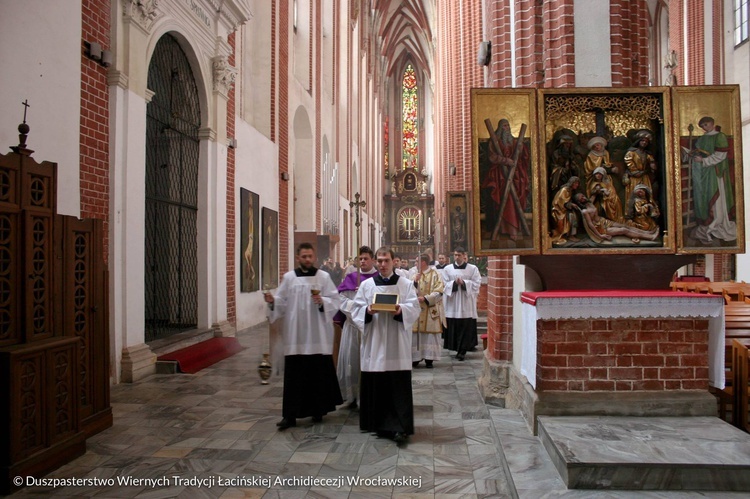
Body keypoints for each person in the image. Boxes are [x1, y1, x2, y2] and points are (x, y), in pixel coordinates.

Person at [264, 243, 343, 430]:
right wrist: (272, 302)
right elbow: (281, 303)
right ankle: (289, 416)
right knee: (295, 377)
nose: (307, 259)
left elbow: (335, 300)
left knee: (317, 375)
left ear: (314, 257)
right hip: (296, 336)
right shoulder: (289, 278)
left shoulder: (323, 277)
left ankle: (318, 410)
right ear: (298, 258)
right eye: (304, 256)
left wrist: (322, 301)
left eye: (310, 256)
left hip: (317, 335)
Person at [351, 247, 420, 444]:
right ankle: (378, 424)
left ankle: (399, 427)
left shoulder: (405, 284)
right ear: (375, 261)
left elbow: (414, 307)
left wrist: (401, 310)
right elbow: (356, 309)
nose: (382, 264)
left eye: (386, 260)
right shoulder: (367, 285)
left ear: (393, 261)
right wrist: (367, 311)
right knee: (377, 382)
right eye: (379, 261)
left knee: (397, 385)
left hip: (397, 344)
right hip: (375, 341)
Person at [335, 246, 378, 409]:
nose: (362, 261)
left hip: (371, 327)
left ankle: (368, 396)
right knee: (352, 362)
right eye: (360, 259)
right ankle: (352, 395)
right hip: (352, 326)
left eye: (366, 259)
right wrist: (357, 307)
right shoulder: (351, 278)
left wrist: (366, 308)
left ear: (373, 260)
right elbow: (341, 299)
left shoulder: (378, 278)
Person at [685, 116, 737, 244]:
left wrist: (703, 160)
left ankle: (717, 222)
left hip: (716, 172)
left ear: (712, 124)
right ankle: (708, 222)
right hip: (703, 172)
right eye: (702, 126)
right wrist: (693, 154)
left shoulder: (720, 136)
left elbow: (721, 155)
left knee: (716, 200)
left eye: (706, 124)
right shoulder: (702, 138)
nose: (704, 127)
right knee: (704, 196)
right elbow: (698, 151)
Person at [481, 118, 531, 240]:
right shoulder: (495, 142)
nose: (506, 128)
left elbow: (523, 154)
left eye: (508, 126)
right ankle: (503, 229)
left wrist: (521, 149)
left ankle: (514, 229)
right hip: (500, 177)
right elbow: (492, 157)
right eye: (504, 126)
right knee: (504, 201)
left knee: (514, 201)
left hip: (515, 176)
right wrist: (505, 161)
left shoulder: (514, 142)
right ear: (499, 128)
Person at [442, 247, 481, 361]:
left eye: (459, 255)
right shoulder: (447, 269)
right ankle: (456, 348)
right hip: (453, 303)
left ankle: (462, 350)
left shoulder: (472, 269)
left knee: (465, 327)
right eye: (455, 255)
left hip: (465, 303)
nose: (457, 257)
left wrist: (464, 283)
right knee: (454, 327)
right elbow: (444, 284)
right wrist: (454, 283)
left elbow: (476, 283)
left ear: (464, 255)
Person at [573, 192, 659, 243]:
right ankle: (650, 237)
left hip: (604, 221)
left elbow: (595, 193)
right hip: (601, 228)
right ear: (579, 201)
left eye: (583, 196)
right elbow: (590, 225)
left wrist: (601, 190)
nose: (584, 198)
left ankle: (648, 232)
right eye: (581, 199)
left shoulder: (590, 203)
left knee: (625, 226)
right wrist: (601, 235)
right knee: (624, 230)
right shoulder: (585, 211)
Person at [411, 253, 445, 368]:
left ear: (423, 262)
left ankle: (429, 359)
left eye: (416, 261)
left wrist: (426, 298)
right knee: (416, 334)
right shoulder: (414, 275)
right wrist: (415, 282)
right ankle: (415, 358)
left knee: (430, 335)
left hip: (430, 309)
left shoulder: (436, 274)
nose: (415, 264)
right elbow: (407, 289)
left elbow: (439, 290)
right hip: (417, 309)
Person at [623, 130, 656, 202]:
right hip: (634, 177)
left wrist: (652, 165)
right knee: (635, 193)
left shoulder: (647, 154)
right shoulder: (631, 152)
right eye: (643, 141)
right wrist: (634, 171)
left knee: (646, 193)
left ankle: (646, 209)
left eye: (646, 142)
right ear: (638, 141)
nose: (644, 143)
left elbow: (651, 161)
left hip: (644, 176)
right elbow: (628, 160)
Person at [550, 176, 581, 245]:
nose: (577, 185)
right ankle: (570, 235)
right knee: (572, 216)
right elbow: (560, 201)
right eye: (575, 183)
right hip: (558, 210)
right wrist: (571, 204)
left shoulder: (570, 190)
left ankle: (571, 234)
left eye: (578, 183)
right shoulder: (565, 190)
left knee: (574, 215)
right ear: (571, 183)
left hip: (564, 209)